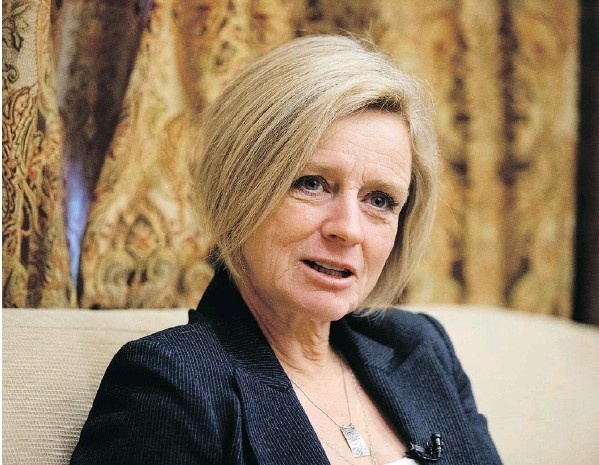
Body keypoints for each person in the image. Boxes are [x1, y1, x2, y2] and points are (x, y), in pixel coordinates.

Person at [70, 35, 502, 465]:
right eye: (311, 184)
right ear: (240, 190)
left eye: (380, 200)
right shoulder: (171, 383)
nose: (348, 229)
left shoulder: (420, 348)